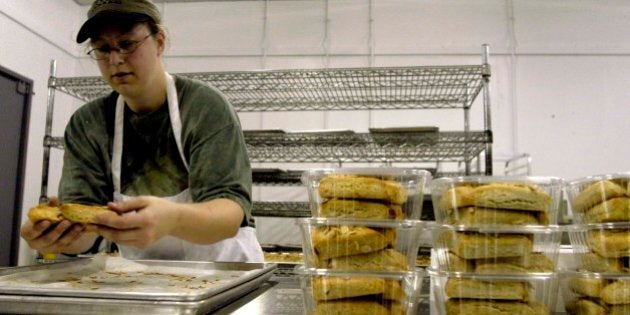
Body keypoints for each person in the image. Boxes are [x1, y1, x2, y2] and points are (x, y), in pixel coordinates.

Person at [20, 0, 264, 262]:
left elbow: (229, 215)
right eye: (102, 48)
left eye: (127, 44)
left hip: (222, 274)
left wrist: (172, 219)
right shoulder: (88, 124)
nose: (115, 59)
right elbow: (86, 226)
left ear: (159, 41)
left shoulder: (203, 107)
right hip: (144, 281)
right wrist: (59, 236)